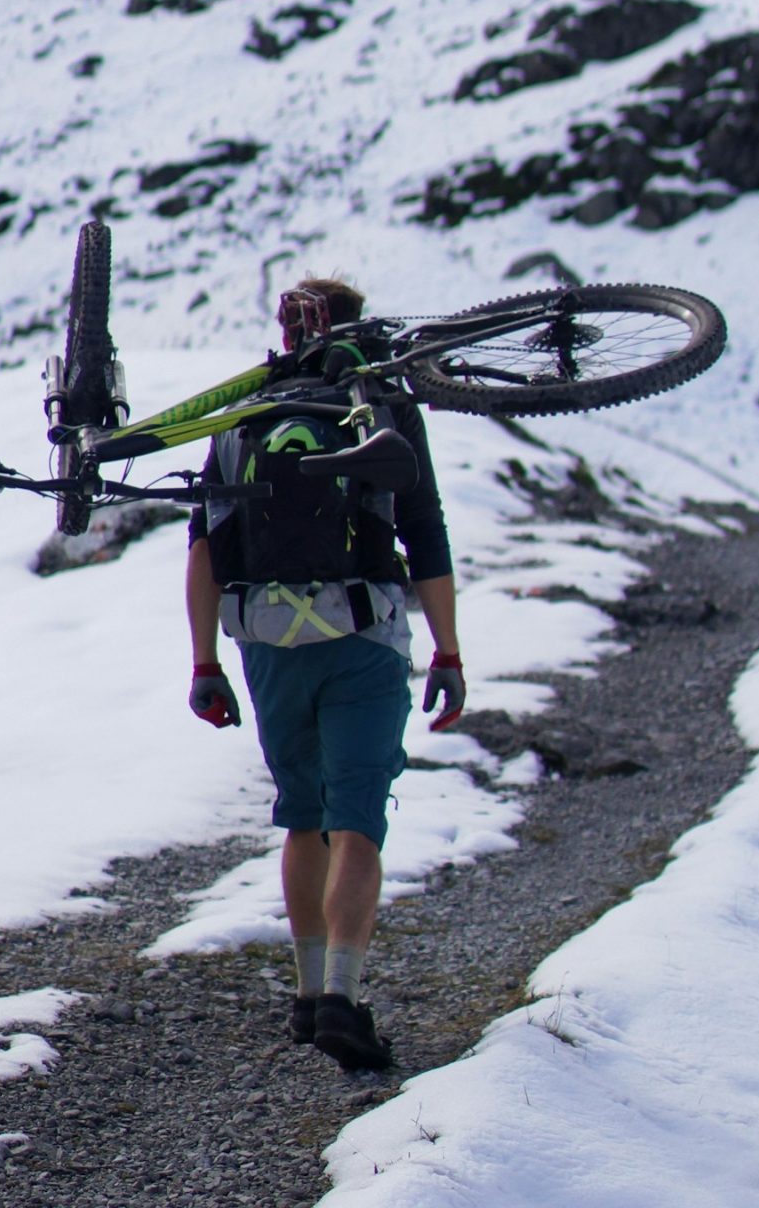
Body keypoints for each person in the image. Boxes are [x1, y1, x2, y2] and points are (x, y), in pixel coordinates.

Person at [185, 274, 466, 1072]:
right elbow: (425, 533)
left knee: (300, 814)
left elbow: (204, 545)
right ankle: (342, 995)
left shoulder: (249, 413)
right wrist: (445, 649)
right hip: (361, 634)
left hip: (265, 640)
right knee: (356, 821)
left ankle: (306, 998)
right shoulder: (380, 405)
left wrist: (206, 661)